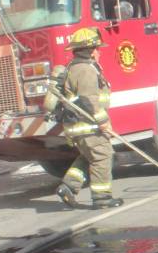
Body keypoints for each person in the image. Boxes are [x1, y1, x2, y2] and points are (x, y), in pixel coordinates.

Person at [53, 28, 125, 209]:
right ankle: (102, 198)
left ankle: (68, 186)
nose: (99, 52)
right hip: (88, 125)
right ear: (91, 50)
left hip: (77, 126)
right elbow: (89, 100)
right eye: (98, 49)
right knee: (102, 156)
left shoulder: (74, 68)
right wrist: (103, 121)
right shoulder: (86, 70)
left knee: (89, 156)